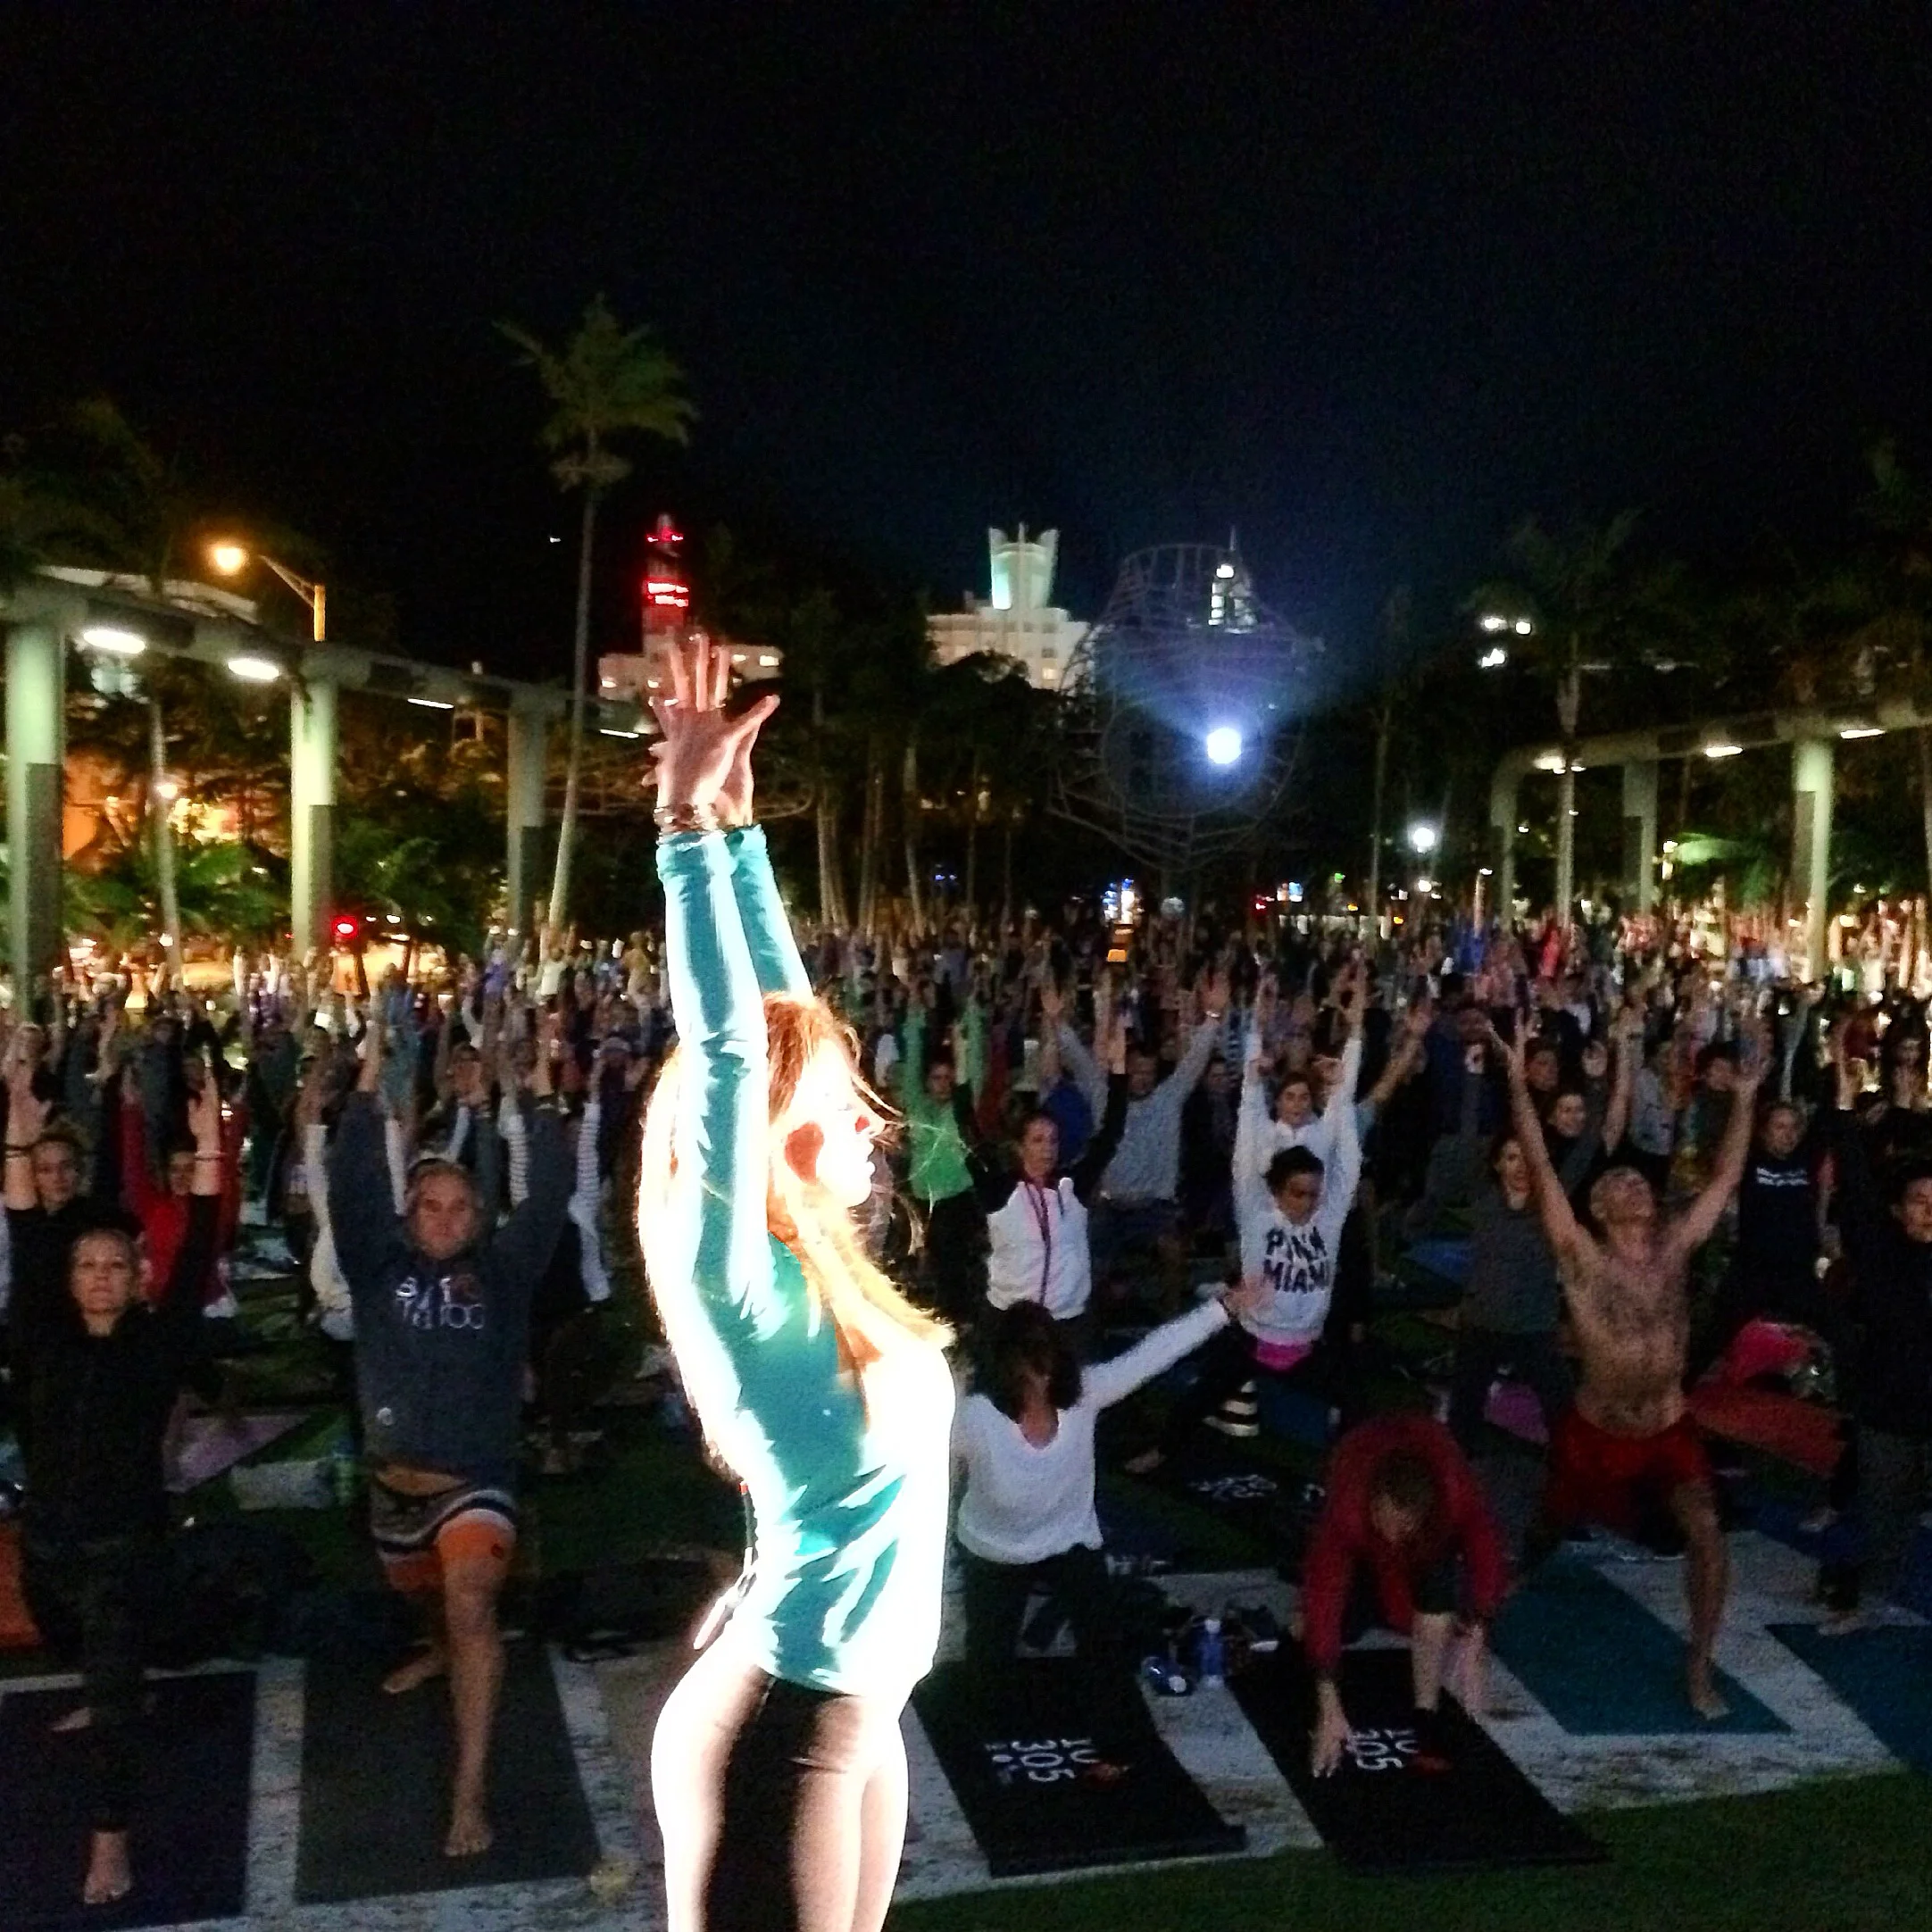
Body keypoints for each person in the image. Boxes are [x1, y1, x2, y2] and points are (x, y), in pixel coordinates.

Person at [639, 639, 954, 1932]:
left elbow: (783, 1012)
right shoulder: (737, 1273)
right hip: (783, 1735)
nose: (874, 1119)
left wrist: (740, 831)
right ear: (767, 1136)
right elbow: (730, 1048)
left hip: (862, 1717)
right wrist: (680, 833)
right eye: (840, 1103)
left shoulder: (823, 1251)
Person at [330, 1001, 570, 1859]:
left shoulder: (502, 1272)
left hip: (476, 1480)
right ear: (408, 1213)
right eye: (429, 1206)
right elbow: (351, 1179)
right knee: (432, 1598)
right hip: (394, 1486)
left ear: (477, 1216)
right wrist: (369, 1080)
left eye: (460, 1207)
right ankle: (441, 1646)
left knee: (470, 1600)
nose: (444, 1219)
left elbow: (551, 1193)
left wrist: (536, 1097)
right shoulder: (375, 1265)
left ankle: (469, 1795)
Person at [1500, 1013, 1765, 1718]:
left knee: (1707, 1534)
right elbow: (1541, 1167)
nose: (1635, 1185)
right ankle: (1518, 1570)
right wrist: (1517, 1085)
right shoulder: (1581, 1257)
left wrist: (1744, 1100)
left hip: (1669, 1428)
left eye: (1638, 1180)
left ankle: (1699, 1665)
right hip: (1597, 1431)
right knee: (1549, 1526)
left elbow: (1726, 1178)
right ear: (1598, 1206)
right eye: (1619, 1181)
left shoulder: (1676, 1247)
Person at [13, 1069, 224, 1907]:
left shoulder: (157, 1343)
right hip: (47, 1547)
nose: (100, 1275)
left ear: (137, 1276)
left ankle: (110, 1841)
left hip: (122, 1550)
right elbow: (24, 1225)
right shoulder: (41, 1336)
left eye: (115, 1264)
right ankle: (117, 1685)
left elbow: (200, 1246)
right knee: (76, 1652)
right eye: (87, 1264)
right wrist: (17, 1131)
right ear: (69, 1278)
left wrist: (209, 1145)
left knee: (112, 1700)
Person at [953, 1283, 1270, 1758]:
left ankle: (1120, 1747)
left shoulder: (1085, 1393)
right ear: (1006, 1369)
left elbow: (1154, 1354)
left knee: (1103, 1645)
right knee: (989, 1658)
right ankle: (979, 1749)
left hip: (1070, 1543)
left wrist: (1223, 1309)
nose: (1041, 1380)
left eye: (1047, 1364)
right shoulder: (974, 1418)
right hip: (992, 1552)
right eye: (1029, 1368)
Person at [1125, 971, 1364, 1472]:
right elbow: (1249, 1121)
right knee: (1199, 1396)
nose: (1308, 1203)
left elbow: (1346, 1144)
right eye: (1298, 1194)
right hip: (1253, 1338)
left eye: (1314, 1194)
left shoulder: (1329, 1216)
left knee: (1358, 1403)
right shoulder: (1256, 1212)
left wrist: (1351, 1050)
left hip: (1306, 1346)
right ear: (1275, 1191)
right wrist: (1253, 1051)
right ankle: (1161, 1449)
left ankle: (1347, 1469)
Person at [1302, 1413, 1509, 1776]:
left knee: (1434, 1596)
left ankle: (1426, 1714)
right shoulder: (1348, 1508)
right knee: (1333, 1626)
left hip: (1430, 1493)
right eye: (1387, 1521)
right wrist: (1329, 1707)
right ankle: (1369, 1594)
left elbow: (1486, 1548)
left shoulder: (1452, 1497)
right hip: (1359, 1452)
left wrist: (1479, 1629)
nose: (1392, 1534)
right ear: (1374, 1502)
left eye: (1403, 1526)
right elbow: (1323, 1597)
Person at [1816, 1026, 1932, 1628]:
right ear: (1897, 1210)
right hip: (1888, 1410)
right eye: (1919, 1201)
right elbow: (1858, 1188)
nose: (1930, 1211)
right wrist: (1842, 1110)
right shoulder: (1881, 1254)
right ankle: (1866, 1595)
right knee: (1885, 1512)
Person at [974, 1003, 1128, 1345]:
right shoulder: (1000, 1190)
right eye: (1038, 1140)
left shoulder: (1072, 1187)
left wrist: (1119, 1071)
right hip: (1012, 1319)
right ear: (1020, 1147)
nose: (1047, 1148)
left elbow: (1110, 1136)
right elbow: (971, 1140)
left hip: (1067, 1319)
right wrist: (961, 1082)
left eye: (1053, 1140)